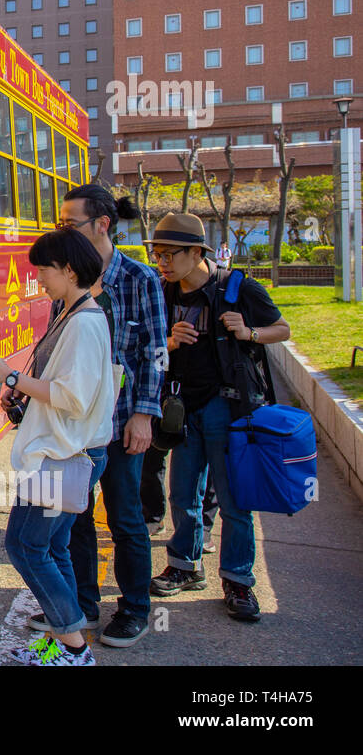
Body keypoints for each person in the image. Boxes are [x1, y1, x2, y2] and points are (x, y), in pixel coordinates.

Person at [27, 185, 167, 649]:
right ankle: (82, 606)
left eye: (71, 224)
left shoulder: (140, 278)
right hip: (73, 428)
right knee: (76, 519)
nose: (62, 231)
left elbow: (155, 352)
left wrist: (145, 413)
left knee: (125, 517)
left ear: (102, 224)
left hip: (122, 421)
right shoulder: (70, 281)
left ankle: (134, 610)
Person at [146, 212, 290, 622]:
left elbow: (282, 328)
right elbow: (148, 354)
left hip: (229, 409)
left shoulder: (237, 288)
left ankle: (239, 581)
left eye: (170, 254)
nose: (162, 262)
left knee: (234, 501)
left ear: (197, 253)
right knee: (183, 494)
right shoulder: (162, 292)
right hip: (181, 407)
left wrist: (249, 333)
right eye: (157, 253)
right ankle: (184, 566)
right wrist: (170, 343)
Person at [0, 228, 117, 666]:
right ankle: (65, 642)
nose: (38, 276)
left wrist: (9, 377)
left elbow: (72, 397)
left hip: (65, 455)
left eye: (44, 268)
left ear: (69, 270)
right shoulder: (74, 313)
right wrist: (20, 389)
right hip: (72, 451)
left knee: (25, 545)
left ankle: (76, 648)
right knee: (52, 547)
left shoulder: (82, 322)